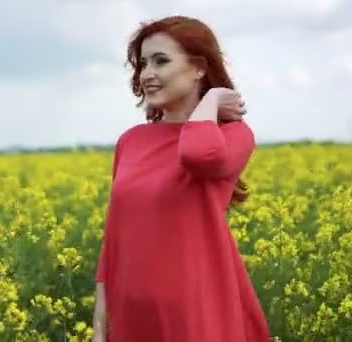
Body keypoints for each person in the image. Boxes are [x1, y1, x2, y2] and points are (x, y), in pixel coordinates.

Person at [92, 15, 270, 342]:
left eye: (161, 61)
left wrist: (213, 100)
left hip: (197, 313)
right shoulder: (130, 141)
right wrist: (100, 327)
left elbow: (198, 155)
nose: (147, 74)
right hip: (132, 315)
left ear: (198, 68)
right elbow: (113, 237)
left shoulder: (233, 135)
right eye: (143, 64)